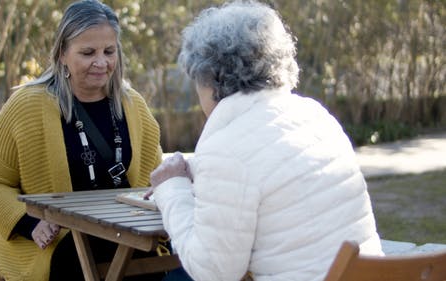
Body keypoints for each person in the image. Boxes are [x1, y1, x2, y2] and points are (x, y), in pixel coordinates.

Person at [147, 1, 384, 280]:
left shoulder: (227, 145)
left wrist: (171, 189)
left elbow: (213, 271)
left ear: (209, 78)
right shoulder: (315, 116)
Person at [0, 1, 163, 280]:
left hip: (126, 235)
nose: (102, 62)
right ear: (62, 53)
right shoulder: (26, 105)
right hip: (55, 242)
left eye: (109, 51)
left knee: (158, 263)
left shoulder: (133, 105)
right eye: (88, 53)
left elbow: (153, 180)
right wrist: (30, 223)